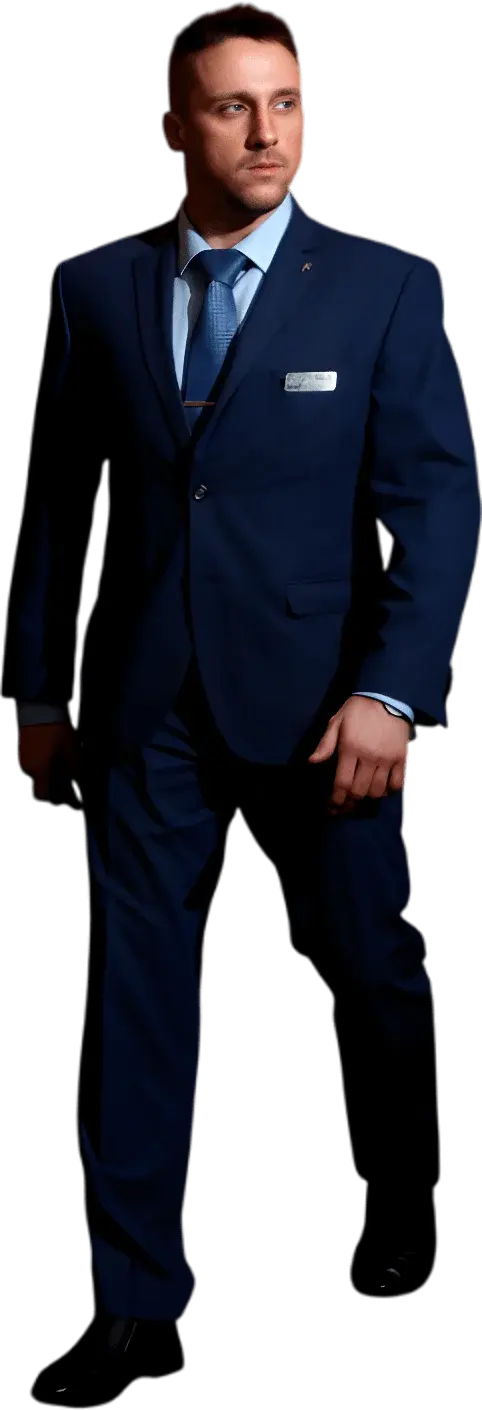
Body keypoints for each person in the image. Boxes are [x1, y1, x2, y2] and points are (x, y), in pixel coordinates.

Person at [7, 5, 481, 1405]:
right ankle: (133, 1303)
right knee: (130, 994)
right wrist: (39, 692)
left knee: (373, 976)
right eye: (231, 107)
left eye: (286, 104)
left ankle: (405, 1206)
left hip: (328, 707)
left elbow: (434, 505)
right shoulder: (94, 287)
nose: (268, 132)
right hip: (145, 701)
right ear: (177, 128)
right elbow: (57, 508)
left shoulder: (382, 288)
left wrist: (392, 690)